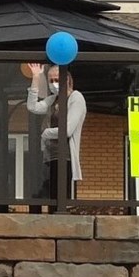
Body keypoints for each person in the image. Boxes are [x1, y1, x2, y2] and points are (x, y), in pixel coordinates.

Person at [26, 63, 87, 211]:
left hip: (64, 157)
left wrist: (46, 133)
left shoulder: (75, 98)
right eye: (51, 80)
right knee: (47, 196)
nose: (54, 84)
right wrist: (35, 77)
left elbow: (67, 129)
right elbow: (32, 106)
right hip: (50, 157)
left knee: (60, 201)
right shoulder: (53, 100)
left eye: (57, 80)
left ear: (67, 79)